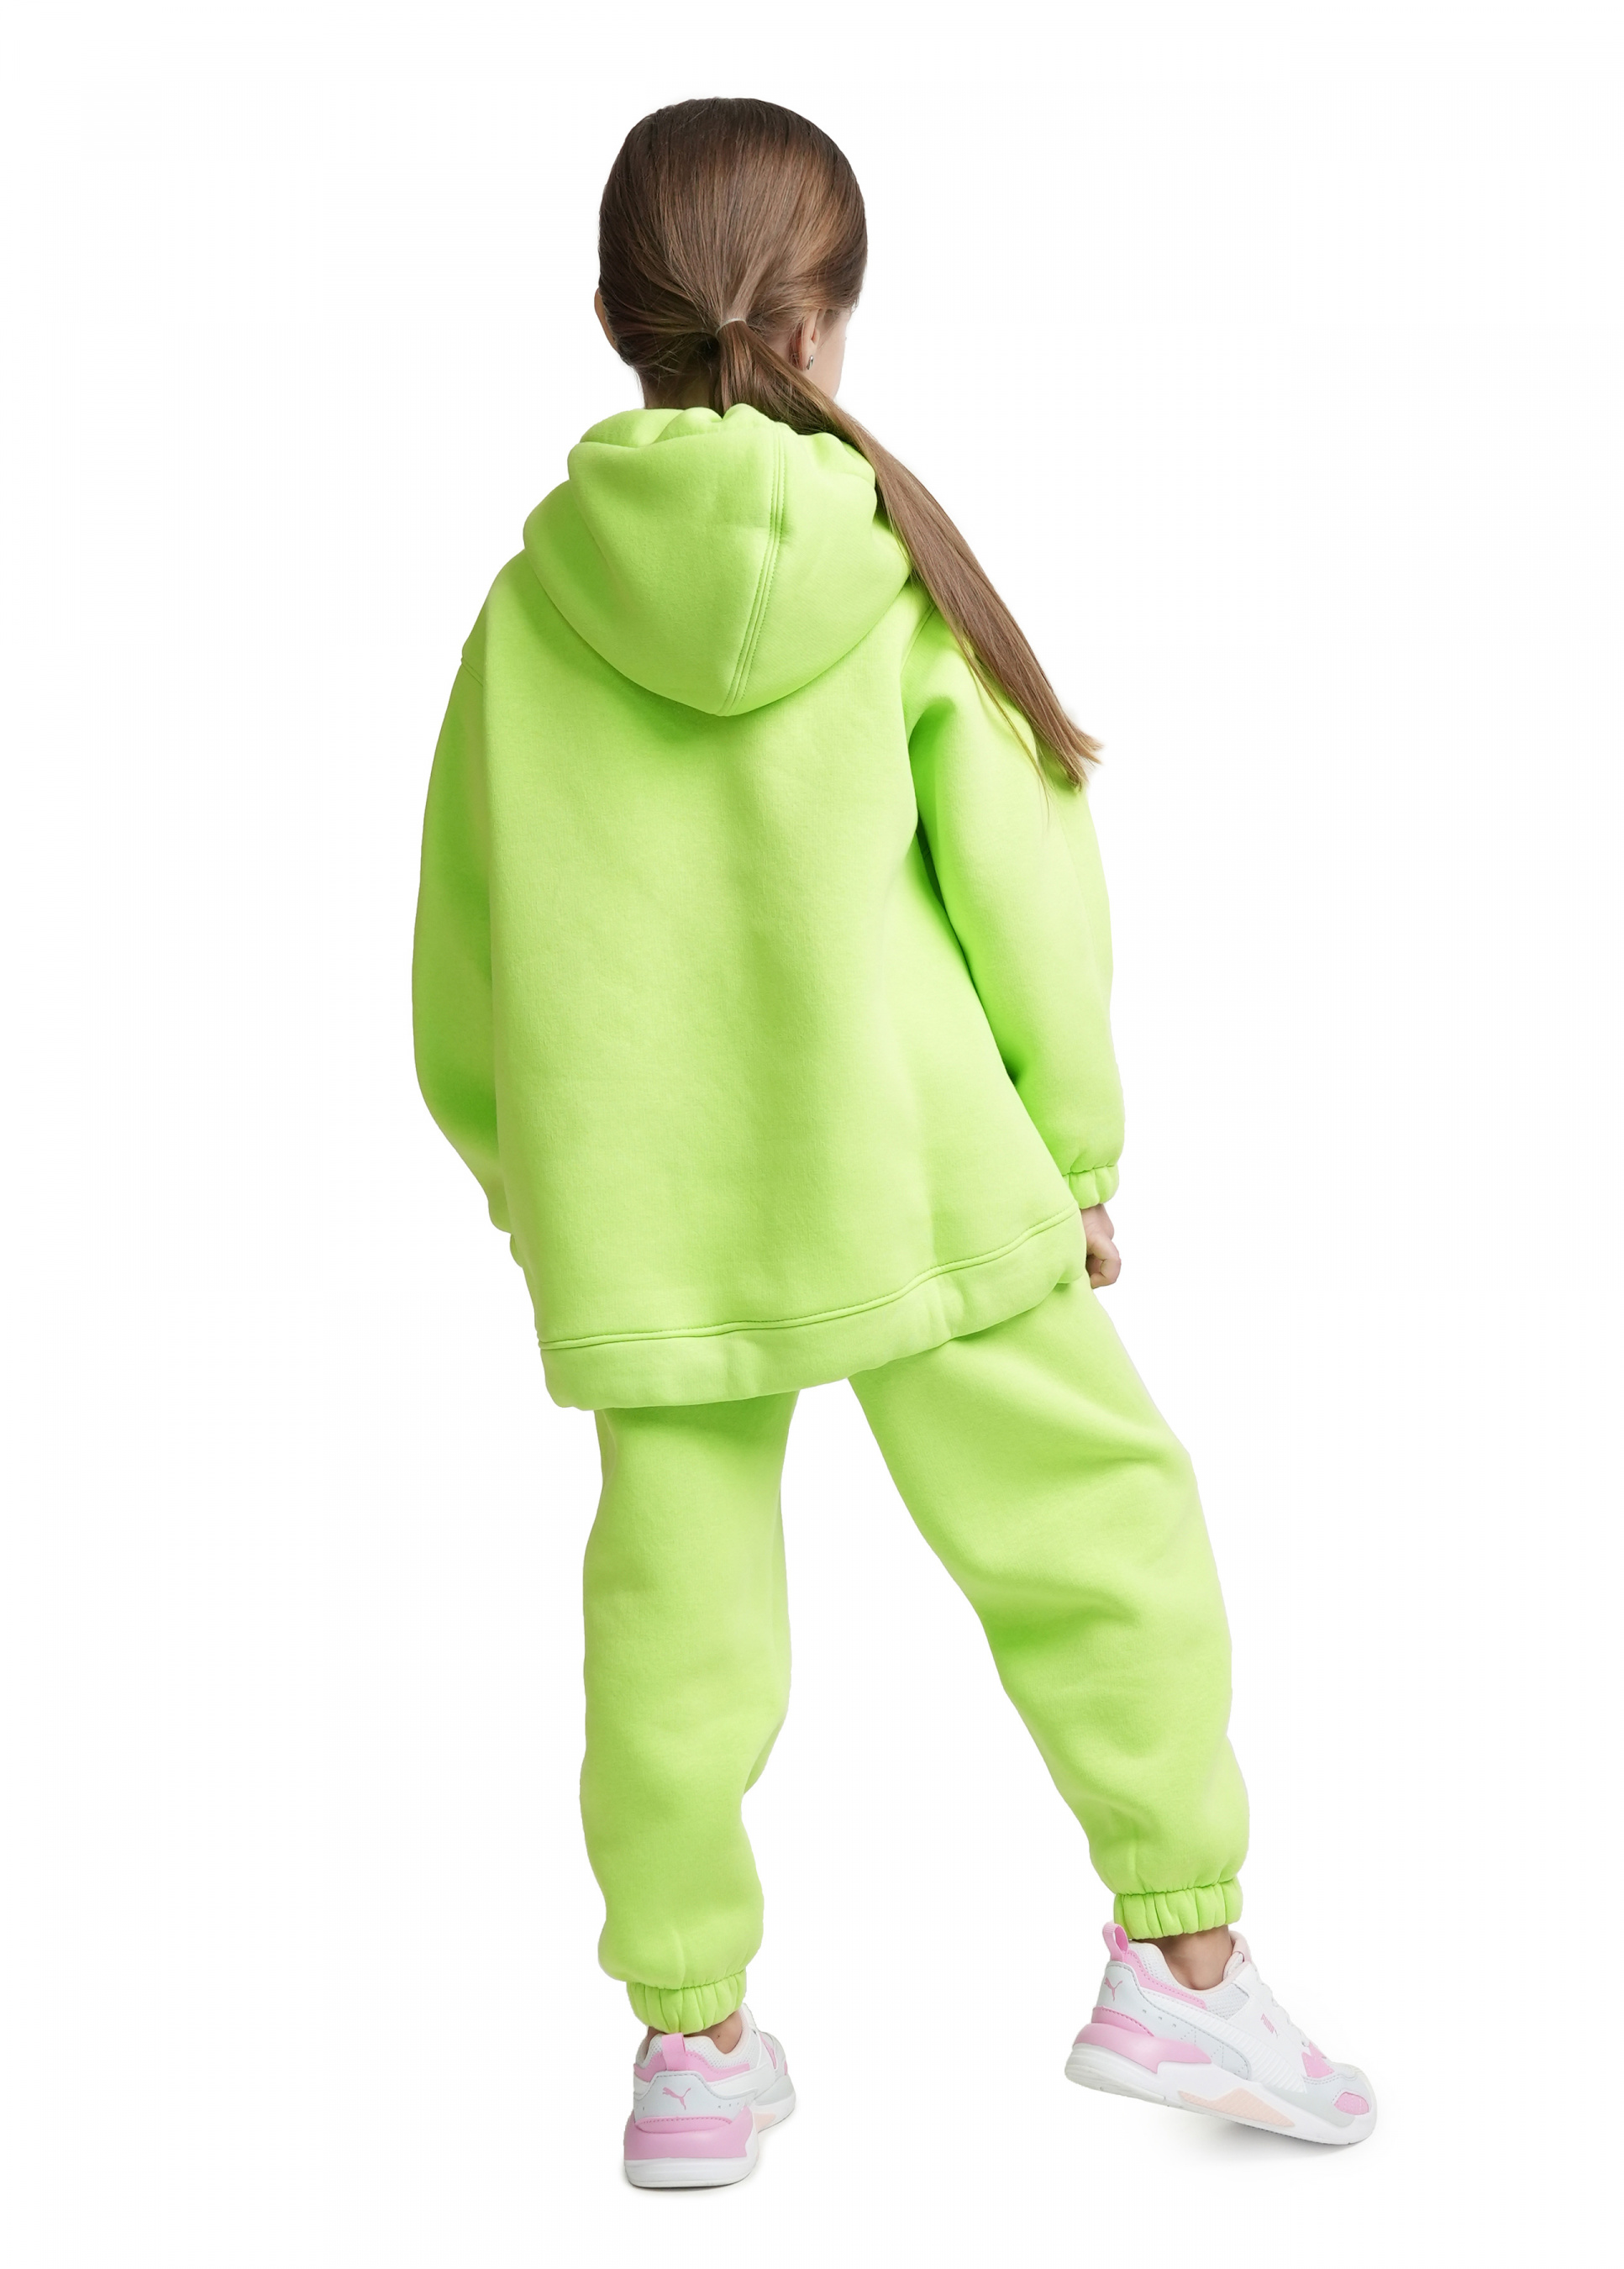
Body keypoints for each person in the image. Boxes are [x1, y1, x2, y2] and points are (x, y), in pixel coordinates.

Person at [413, 96, 1374, 2186]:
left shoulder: (519, 616)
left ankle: (688, 2046)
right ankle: (1183, 1965)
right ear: (822, 318)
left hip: (651, 1212)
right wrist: (1075, 1151)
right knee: (1096, 1528)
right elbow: (1025, 886)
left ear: (614, 311)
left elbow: (461, 950)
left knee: (673, 1618)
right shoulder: (883, 570)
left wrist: (531, 1185)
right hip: (921, 1165)